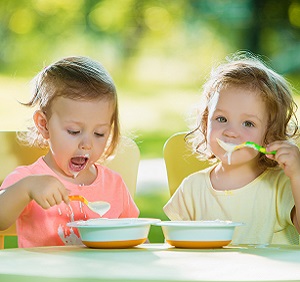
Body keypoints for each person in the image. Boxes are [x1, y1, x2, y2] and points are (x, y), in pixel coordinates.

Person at [0, 56, 139, 247]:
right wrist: (26, 189)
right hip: (43, 275)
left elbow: (134, 237)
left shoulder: (114, 185)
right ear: (44, 124)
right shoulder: (30, 178)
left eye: (99, 133)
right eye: (74, 131)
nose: (87, 144)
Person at [163, 51, 300, 245]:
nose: (231, 132)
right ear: (205, 122)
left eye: (248, 123)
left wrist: (298, 176)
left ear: (270, 134)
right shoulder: (192, 189)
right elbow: (177, 248)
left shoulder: (281, 184)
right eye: (221, 119)